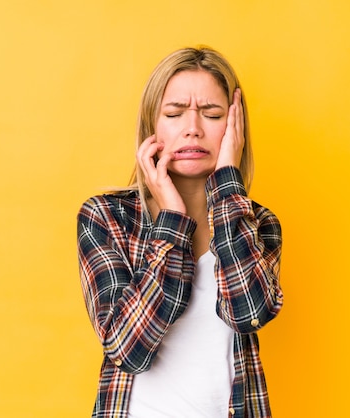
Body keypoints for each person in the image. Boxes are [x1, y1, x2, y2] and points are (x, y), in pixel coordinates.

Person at [77, 46, 283, 418]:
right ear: (152, 127)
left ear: (234, 128)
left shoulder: (259, 223)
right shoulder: (107, 217)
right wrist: (172, 219)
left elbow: (249, 311)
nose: (193, 128)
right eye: (174, 113)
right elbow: (127, 349)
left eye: (213, 114)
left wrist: (227, 186)